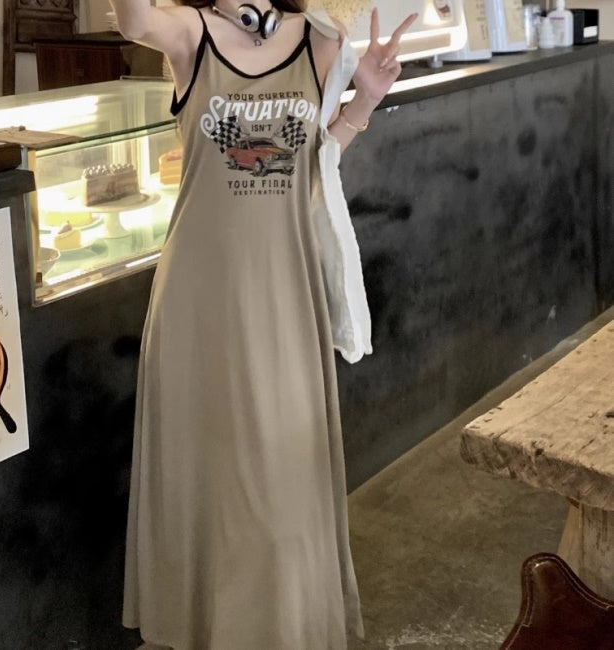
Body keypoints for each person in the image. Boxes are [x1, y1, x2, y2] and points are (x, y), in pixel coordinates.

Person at [108, 1, 416, 648]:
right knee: (208, 476)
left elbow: (313, 163)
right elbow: (134, 22)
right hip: (199, 299)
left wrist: (365, 99)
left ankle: (282, 627)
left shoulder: (320, 40)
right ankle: (205, 630)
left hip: (285, 289)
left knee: (284, 474)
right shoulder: (190, 34)